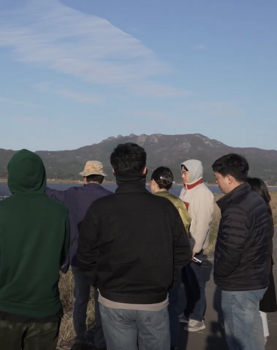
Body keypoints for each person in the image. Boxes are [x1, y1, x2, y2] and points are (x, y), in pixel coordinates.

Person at [77, 143, 192, 350]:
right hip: (154, 300)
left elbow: (85, 255)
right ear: (144, 171)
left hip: (113, 299)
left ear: (114, 172)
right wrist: (167, 281)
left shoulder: (100, 209)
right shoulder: (165, 208)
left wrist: (101, 281)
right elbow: (183, 252)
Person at [0, 149, 70, 350]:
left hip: (7, 304)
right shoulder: (60, 211)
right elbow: (63, 254)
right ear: (42, 176)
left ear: (12, 175)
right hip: (46, 307)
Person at [46, 160, 113, 350]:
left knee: (80, 299)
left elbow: (49, 193)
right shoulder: (109, 198)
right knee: (101, 302)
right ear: (102, 178)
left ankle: (80, 338)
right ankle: (101, 341)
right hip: (103, 259)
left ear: (84, 178)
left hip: (78, 257)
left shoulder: (72, 195)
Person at [212, 154, 273, 350]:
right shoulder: (255, 199)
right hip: (256, 279)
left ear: (229, 178)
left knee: (239, 341)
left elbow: (231, 251)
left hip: (239, 285)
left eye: (217, 178)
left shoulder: (236, 209)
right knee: (253, 338)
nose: (217, 183)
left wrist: (220, 272)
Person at [149, 167, 192, 350]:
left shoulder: (150, 202)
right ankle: (173, 345)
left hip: (153, 263)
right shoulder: (179, 203)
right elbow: (186, 228)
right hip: (174, 262)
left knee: (154, 312)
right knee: (172, 309)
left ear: (152, 182)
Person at [178, 159, 214, 332]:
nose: (183, 176)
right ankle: (188, 312)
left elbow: (202, 224)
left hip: (193, 246)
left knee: (196, 283)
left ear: (194, 173)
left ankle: (198, 318)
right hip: (184, 243)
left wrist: (195, 248)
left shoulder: (202, 193)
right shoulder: (185, 191)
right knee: (187, 281)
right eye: (182, 172)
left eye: (185, 172)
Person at [247, 177, 277, 344]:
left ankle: (260, 339)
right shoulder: (265, 212)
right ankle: (262, 336)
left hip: (257, 269)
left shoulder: (258, 216)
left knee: (254, 308)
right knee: (259, 308)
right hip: (264, 267)